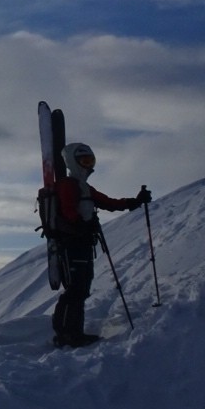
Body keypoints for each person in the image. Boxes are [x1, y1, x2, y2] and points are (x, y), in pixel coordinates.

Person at [52, 142, 150, 348]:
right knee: (76, 289)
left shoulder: (83, 187)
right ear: (73, 161)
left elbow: (109, 202)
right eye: (84, 161)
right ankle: (68, 335)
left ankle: (70, 333)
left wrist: (134, 201)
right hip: (72, 244)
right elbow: (69, 211)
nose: (88, 165)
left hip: (81, 243)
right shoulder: (68, 185)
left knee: (80, 288)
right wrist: (82, 227)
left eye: (90, 160)